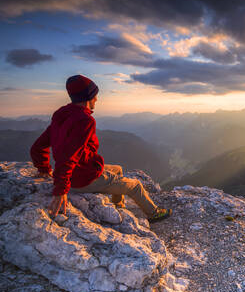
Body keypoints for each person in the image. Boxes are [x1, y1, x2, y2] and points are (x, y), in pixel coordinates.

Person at [30, 74, 172, 223]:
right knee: (136, 186)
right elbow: (68, 157)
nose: (97, 99)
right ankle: (154, 214)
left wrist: (44, 168)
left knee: (118, 169)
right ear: (88, 97)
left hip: (78, 172)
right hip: (83, 179)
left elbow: (37, 147)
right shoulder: (85, 121)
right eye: (95, 95)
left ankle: (118, 206)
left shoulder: (61, 116)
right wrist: (60, 191)